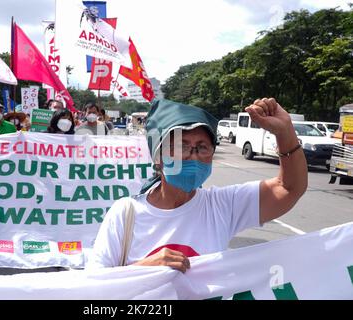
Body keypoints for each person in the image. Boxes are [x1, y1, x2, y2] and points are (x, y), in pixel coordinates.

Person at [87, 98, 308, 273]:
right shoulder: (126, 213)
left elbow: (289, 188)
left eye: (202, 147)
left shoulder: (222, 205)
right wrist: (143, 270)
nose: (193, 156)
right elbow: (94, 284)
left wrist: (285, 132)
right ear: (158, 157)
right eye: (182, 146)